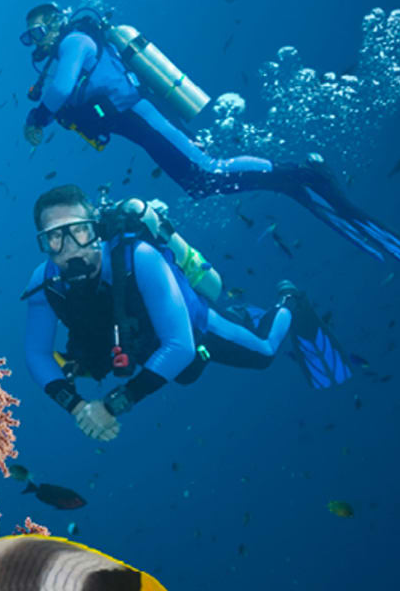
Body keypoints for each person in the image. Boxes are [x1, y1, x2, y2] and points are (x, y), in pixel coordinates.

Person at [20, 3, 400, 283]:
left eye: (38, 31)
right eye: (31, 38)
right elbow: (68, 98)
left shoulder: (76, 41)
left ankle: (300, 172)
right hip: (136, 123)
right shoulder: (67, 53)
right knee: (200, 183)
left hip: (140, 115)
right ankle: (287, 178)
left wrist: (38, 115)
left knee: (206, 170)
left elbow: (58, 93)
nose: (37, 42)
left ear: (56, 22)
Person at [21, 185, 349, 441]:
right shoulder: (45, 281)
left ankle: (290, 300)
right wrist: (77, 407)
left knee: (263, 352)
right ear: (43, 244)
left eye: (79, 231)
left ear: (95, 231)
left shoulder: (140, 258)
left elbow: (180, 345)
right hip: (139, 341)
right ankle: (244, 314)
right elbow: (36, 353)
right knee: (176, 372)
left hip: (191, 327)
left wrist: (111, 406)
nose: (71, 247)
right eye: (54, 238)